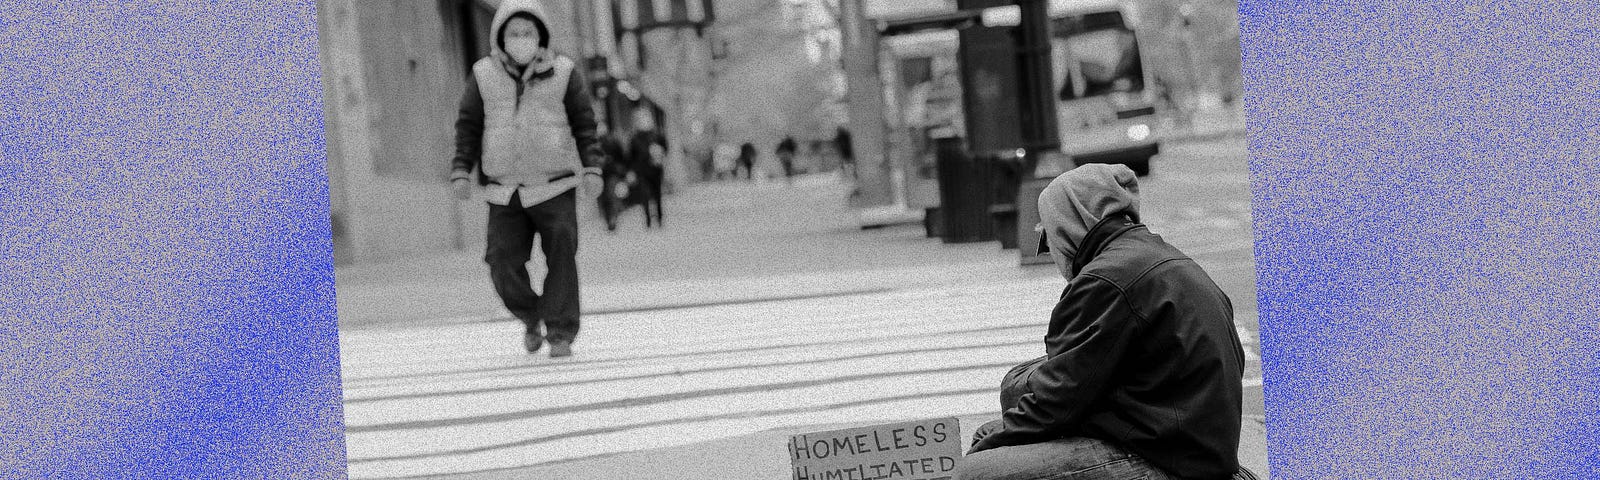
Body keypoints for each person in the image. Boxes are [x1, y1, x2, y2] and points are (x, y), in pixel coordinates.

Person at [957, 164, 1253, 480]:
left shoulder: (1106, 279)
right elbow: (1078, 375)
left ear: (1068, 227)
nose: (1053, 256)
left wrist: (989, 448)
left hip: (1167, 457)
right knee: (991, 432)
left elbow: (1058, 399)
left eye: (1048, 242)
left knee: (975, 473)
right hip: (1182, 438)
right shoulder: (1152, 257)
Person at [450, 0, 604, 359]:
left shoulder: (565, 72)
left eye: (528, 32)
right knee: (500, 262)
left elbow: (585, 124)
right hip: (505, 191)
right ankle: (532, 314)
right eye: (514, 32)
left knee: (562, 255)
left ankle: (561, 331)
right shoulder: (483, 74)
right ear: (500, 37)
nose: (521, 38)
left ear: (541, 36)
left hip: (555, 184)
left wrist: (593, 168)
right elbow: (468, 127)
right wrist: (461, 169)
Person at [626, 110, 666, 229]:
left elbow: (665, 148)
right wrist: (631, 171)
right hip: (642, 171)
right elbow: (631, 156)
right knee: (645, 195)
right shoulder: (635, 138)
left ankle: (659, 218)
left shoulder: (657, 135)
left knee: (657, 194)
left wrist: (659, 153)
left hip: (656, 170)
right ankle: (648, 220)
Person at [596, 123, 630, 233]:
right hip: (601, 174)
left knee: (611, 195)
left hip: (612, 173)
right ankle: (609, 219)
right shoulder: (595, 144)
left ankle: (613, 218)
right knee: (604, 197)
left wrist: (622, 170)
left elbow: (622, 157)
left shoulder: (613, 142)